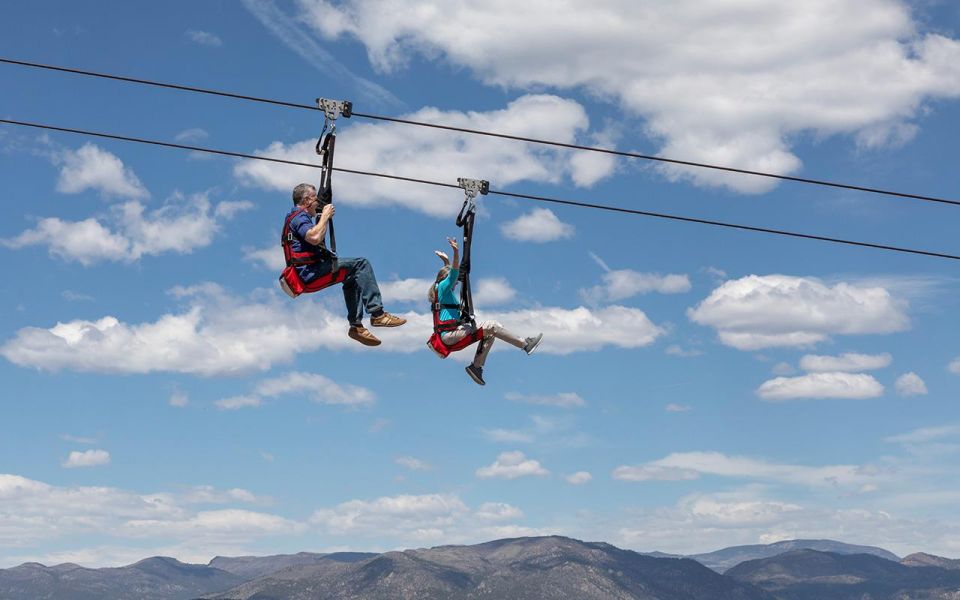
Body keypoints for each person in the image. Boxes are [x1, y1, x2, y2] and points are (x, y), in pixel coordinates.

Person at [284, 183, 406, 346]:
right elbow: (314, 237)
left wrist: (322, 216)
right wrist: (326, 215)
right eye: (315, 199)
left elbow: (315, 238)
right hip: (309, 274)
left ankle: (356, 327)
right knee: (361, 264)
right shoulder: (299, 216)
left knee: (352, 276)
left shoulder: (295, 217)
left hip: (307, 274)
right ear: (306, 200)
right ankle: (377, 314)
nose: (318, 203)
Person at [429, 236, 542, 385]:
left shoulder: (442, 290)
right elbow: (453, 273)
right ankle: (525, 344)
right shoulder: (443, 288)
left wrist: (446, 262)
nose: (456, 283)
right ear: (445, 278)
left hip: (453, 333)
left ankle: (476, 367)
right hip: (450, 335)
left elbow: (448, 273)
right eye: (453, 281)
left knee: (489, 334)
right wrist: (456, 251)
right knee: (492, 325)